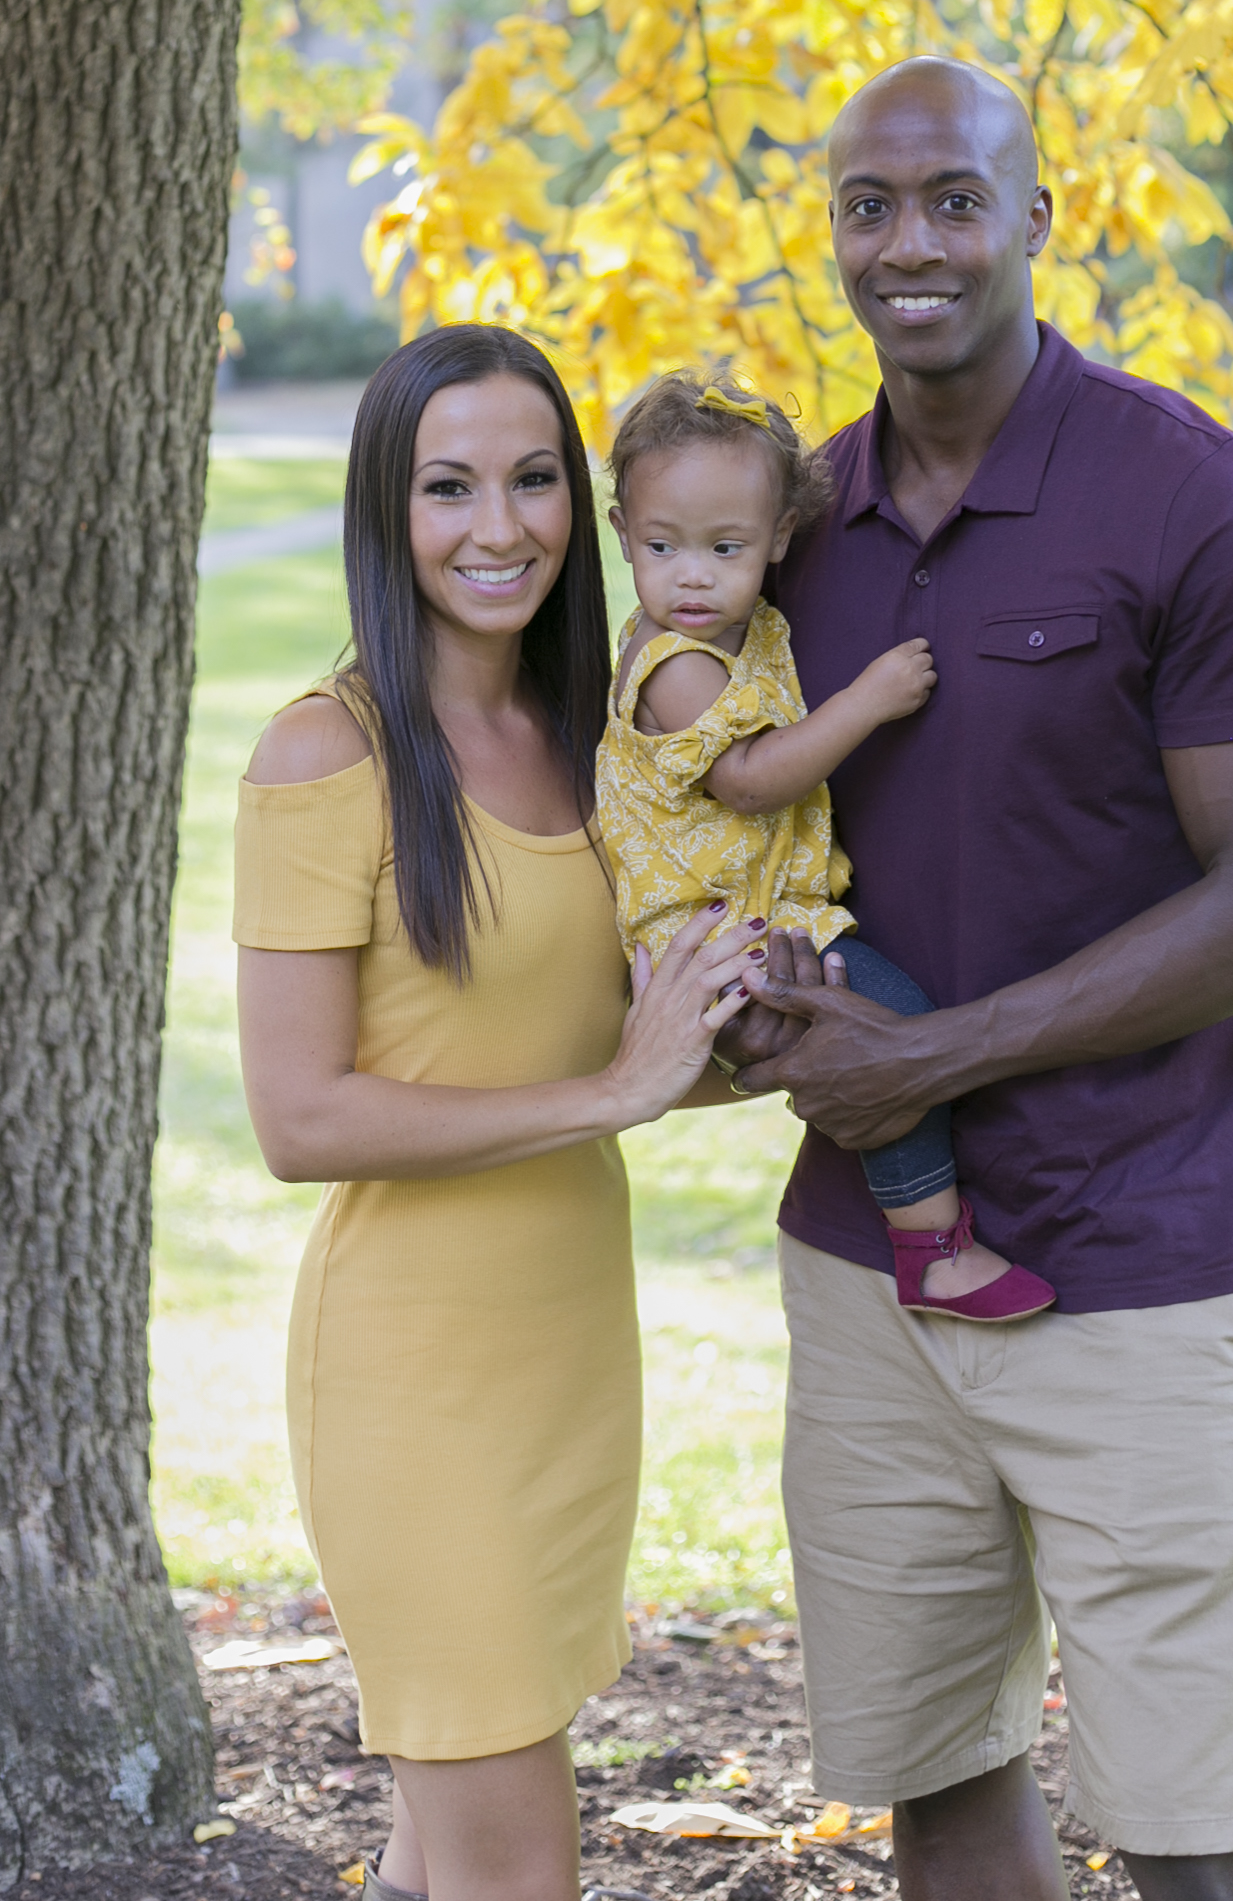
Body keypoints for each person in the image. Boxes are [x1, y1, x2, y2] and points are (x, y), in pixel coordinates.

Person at [721, 57, 1233, 1901]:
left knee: (1208, 1837)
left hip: (1137, 1258)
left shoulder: (1197, 500)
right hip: (869, 1276)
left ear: (1035, 220)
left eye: (952, 197)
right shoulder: (799, 528)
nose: (906, 241)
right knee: (946, 1785)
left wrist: (936, 1059)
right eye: (867, 202)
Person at [233, 327, 759, 1901]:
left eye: (533, 479)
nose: (497, 524)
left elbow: (626, 1032)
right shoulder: (325, 750)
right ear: (384, 513)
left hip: (566, 1355)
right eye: (446, 484)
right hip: (414, 1384)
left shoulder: (599, 741)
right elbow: (299, 1114)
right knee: (514, 1868)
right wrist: (613, 1089)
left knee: (446, 1859)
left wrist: (754, 1028)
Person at [595, 369, 1054, 1318]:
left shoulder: (743, 627)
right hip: (713, 932)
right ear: (622, 535)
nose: (690, 575)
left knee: (881, 1021)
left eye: (724, 547)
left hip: (752, 908)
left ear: (777, 541)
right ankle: (932, 1246)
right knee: (889, 1021)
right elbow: (754, 777)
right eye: (659, 546)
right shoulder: (674, 663)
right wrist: (868, 701)